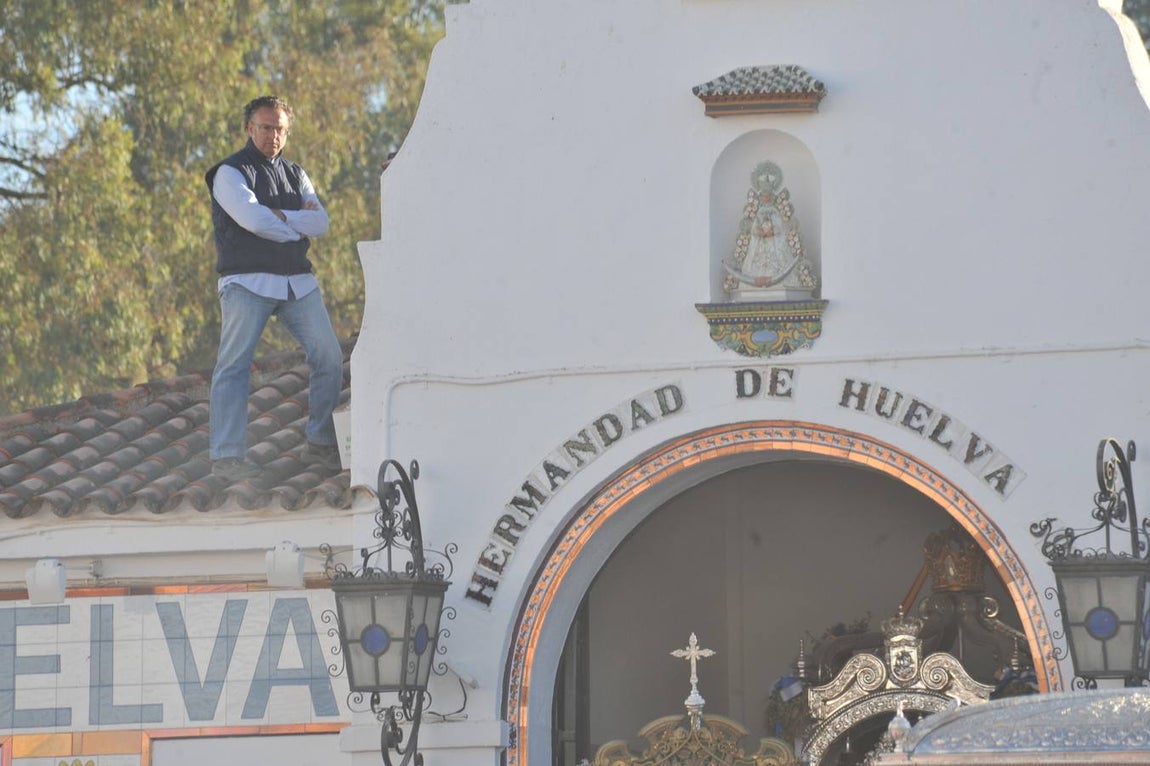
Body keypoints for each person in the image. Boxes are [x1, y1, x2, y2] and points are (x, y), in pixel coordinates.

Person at [204, 95, 343, 480]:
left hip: (297, 280)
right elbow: (253, 221)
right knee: (233, 366)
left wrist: (279, 218)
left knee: (329, 357)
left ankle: (320, 442)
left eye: (280, 128)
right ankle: (227, 455)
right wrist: (293, 224)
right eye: (266, 127)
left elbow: (322, 224)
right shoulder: (229, 173)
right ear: (250, 129)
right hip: (247, 281)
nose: (274, 135)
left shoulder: (297, 174)